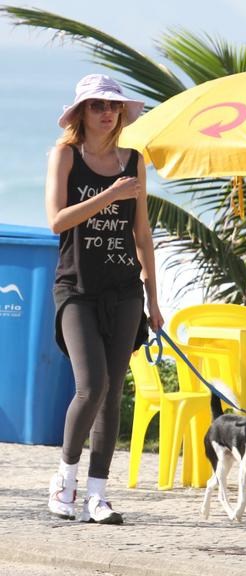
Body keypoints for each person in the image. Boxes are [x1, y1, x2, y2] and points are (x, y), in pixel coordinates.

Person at [46, 74, 164, 524]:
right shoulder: (65, 157)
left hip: (124, 290)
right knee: (90, 386)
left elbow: (142, 233)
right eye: (96, 106)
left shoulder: (134, 161)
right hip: (76, 287)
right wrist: (109, 195)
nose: (106, 113)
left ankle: (98, 493)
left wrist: (154, 298)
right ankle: (64, 481)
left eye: (112, 106)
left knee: (113, 393)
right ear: (80, 113)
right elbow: (56, 220)